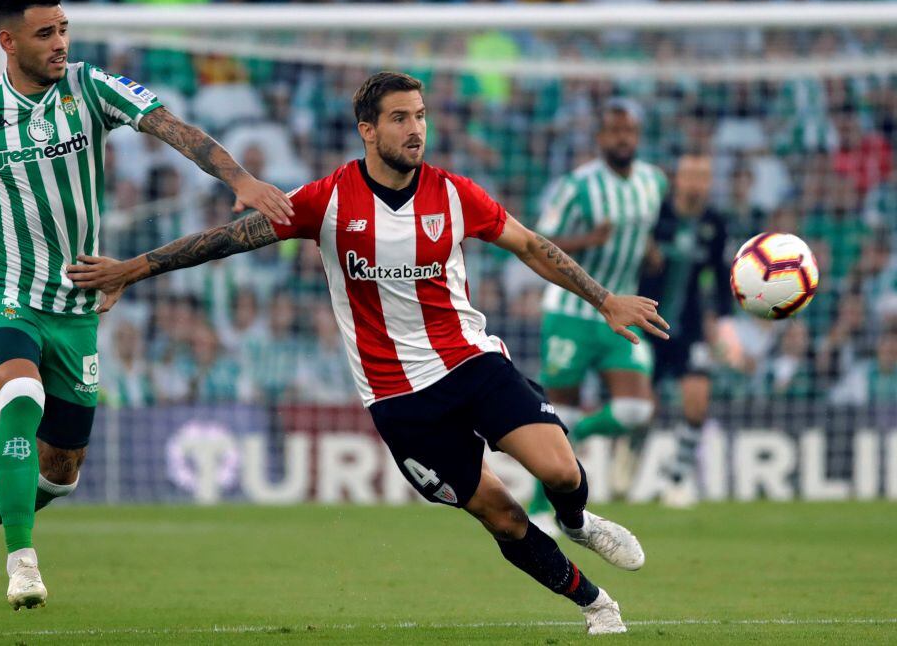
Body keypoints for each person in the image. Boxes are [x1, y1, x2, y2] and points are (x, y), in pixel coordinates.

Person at [67, 72, 670, 635]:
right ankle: (597, 604)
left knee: (562, 471)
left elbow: (533, 246)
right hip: (397, 397)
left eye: (422, 116)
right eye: (401, 118)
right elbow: (224, 241)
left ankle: (577, 522)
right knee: (505, 517)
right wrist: (130, 269)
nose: (416, 129)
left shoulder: (455, 194)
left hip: (470, 361)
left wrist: (604, 298)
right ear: (368, 130)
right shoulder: (327, 201)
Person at [0, 0, 293, 611]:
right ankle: (23, 563)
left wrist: (241, 178)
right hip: (1, 292)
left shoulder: (91, 88)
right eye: (46, 34)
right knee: (21, 390)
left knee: (61, 473)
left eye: (64, 29)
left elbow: (173, 129)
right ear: (7, 41)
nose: (60, 43)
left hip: (76, 304)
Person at [526, 99, 667, 534]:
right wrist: (590, 238)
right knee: (555, 412)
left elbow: (646, 234)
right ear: (600, 138)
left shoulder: (654, 182)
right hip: (571, 313)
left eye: (629, 131)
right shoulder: (576, 185)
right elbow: (539, 241)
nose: (622, 138)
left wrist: (649, 252)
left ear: (637, 137)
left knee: (634, 409)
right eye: (614, 131)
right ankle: (537, 506)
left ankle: (580, 432)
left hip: (623, 310)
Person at [638, 153, 731, 508]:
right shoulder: (654, 216)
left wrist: (723, 321)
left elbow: (721, 279)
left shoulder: (715, 223)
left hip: (689, 327)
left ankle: (676, 479)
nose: (696, 183)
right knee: (642, 411)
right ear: (677, 178)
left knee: (697, 402)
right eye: (690, 175)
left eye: (703, 176)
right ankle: (627, 457)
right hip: (648, 323)